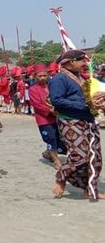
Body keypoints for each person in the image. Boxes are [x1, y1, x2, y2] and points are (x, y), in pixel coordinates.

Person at [49, 50, 103, 199]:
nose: (85, 64)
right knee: (80, 157)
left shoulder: (82, 78)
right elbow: (57, 101)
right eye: (82, 61)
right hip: (70, 121)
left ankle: (91, 190)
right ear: (71, 61)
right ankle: (61, 176)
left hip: (88, 120)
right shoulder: (59, 79)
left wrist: (97, 101)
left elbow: (89, 98)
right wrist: (85, 105)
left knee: (94, 157)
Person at [28, 64, 67, 169]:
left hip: (57, 116)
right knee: (50, 138)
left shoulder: (52, 86)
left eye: (45, 75)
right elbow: (37, 105)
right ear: (35, 76)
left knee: (60, 137)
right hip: (44, 118)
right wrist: (50, 111)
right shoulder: (32, 89)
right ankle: (56, 160)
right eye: (40, 76)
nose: (42, 78)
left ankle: (48, 153)